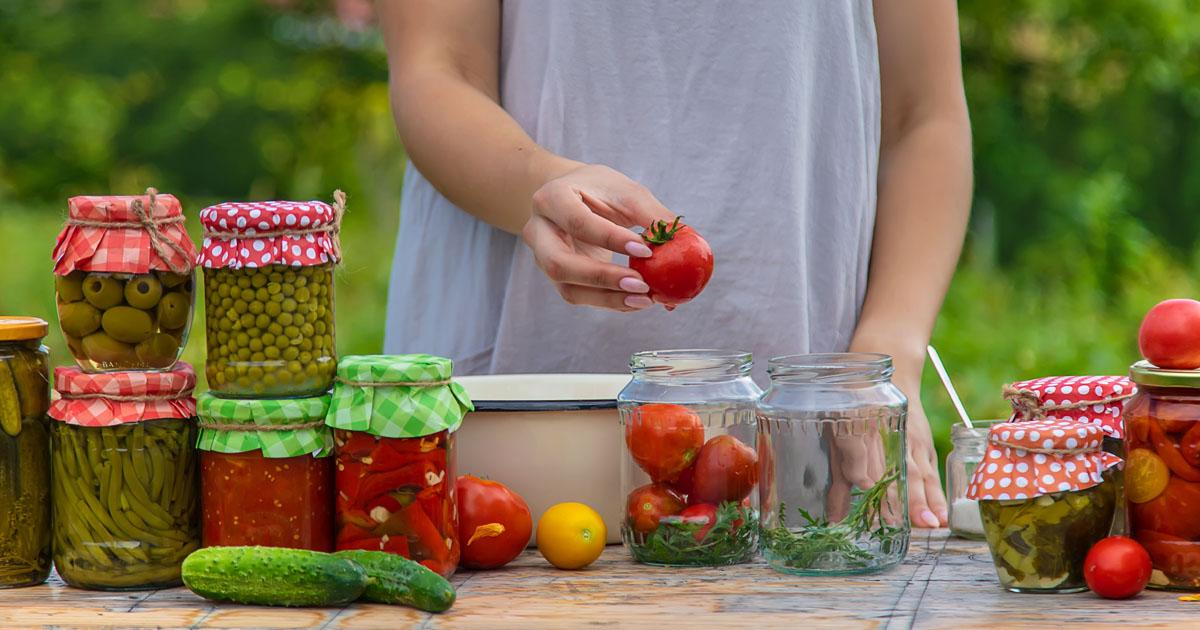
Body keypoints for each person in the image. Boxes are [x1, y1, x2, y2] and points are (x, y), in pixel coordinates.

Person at [377, 1, 972, 528]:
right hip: (517, 399)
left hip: (813, 410)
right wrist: (545, 185)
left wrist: (885, 360)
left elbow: (923, 116)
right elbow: (437, 68)